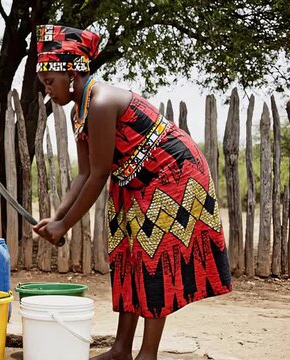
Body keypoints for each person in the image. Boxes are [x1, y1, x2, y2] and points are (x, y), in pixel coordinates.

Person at [32, 25, 232, 360]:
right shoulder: (79, 112)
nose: (48, 91)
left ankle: (147, 354)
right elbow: (83, 173)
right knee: (127, 256)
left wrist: (64, 227)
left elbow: (98, 175)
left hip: (173, 175)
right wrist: (56, 216)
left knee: (154, 259)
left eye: (49, 82)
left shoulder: (101, 101)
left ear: (72, 70)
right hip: (134, 180)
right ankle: (122, 349)